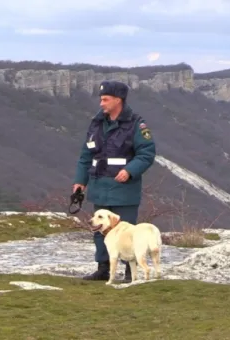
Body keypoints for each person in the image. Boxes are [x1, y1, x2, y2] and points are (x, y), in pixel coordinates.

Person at [72, 80, 156, 283]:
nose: (101, 103)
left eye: (105, 99)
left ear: (118, 100)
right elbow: (86, 155)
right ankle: (103, 268)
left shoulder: (136, 124)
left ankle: (131, 272)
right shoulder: (96, 123)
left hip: (124, 190)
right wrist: (80, 182)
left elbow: (147, 153)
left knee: (127, 232)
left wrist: (129, 171)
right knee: (100, 231)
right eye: (101, 99)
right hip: (100, 187)